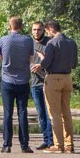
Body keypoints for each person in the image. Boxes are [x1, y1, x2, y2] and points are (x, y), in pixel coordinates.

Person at [35, 19, 79, 153]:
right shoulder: (72, 43)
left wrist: (42, 59)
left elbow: (47, 63)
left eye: (47, 31)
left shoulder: (52, 43)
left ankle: (58, 145)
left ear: (50, 29)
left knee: (55, 114)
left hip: (53, 78)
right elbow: (74, 64)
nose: (48, 34)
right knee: (66, 113)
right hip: (67, 78)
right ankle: (69, 145)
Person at [0, 16, 35, 153]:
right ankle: (24, 145)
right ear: (21, 26)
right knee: (22, 112)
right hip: (23, 80)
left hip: (7, 80)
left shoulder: (4, 39)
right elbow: (31, 58)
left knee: (8, 113)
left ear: (9, 26)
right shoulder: (28, 40)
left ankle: (7, 144)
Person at [29, 21, 54, 150]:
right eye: (34, 30)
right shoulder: (29, 43)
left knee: (48, 112)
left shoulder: (49, 43)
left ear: (43, 30)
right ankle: (45, 139)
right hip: (35, 83)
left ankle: (51, 141)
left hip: (47, 82)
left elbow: (52, 61)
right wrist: (30, 67)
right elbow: (25, 59)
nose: (36, 32)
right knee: (40, 114)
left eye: (39, 30)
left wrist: (42, 63)